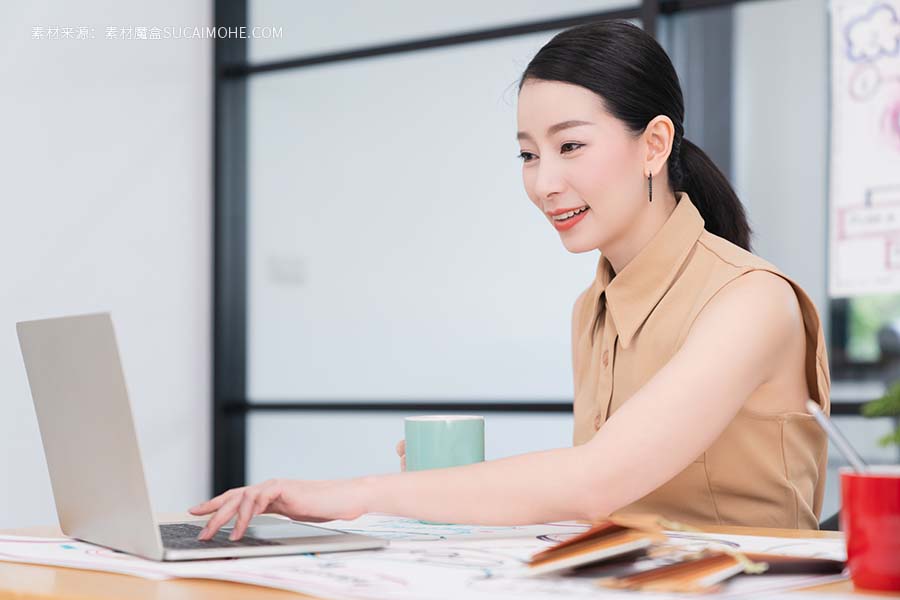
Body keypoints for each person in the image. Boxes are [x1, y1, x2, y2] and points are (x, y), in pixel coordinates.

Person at [189, 19, 830, 542]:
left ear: (654, 145)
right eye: (528, 154)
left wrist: (346, 495)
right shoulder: (594, 308)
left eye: (570, 146)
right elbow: (608, 504)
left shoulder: (751, 300)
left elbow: (595, 482)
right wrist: (447, 488)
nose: (544, 182)